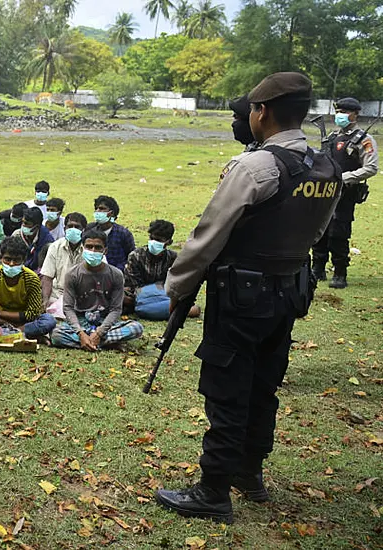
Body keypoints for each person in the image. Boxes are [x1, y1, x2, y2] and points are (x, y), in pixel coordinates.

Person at [156, 72, 343, 523]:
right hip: (288, 292)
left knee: (228, 389)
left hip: (240, 296)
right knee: (264, 386)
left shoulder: (256, 167)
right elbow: (318, 232)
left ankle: (213, 490)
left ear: (261, 112)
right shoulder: (324, 166)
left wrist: (177, 288)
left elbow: (208, 236)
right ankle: (249, 473)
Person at [312, 97, 378, 289]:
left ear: (355, 114)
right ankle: (318, 267)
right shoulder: (331, 137)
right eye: (338, 111)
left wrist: (344, 177)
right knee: (319, 230)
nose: (340, 115)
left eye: (345, 112)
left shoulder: (363, 139)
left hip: (345, 193)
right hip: (324, 192)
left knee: (338, 233)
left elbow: (371, 167)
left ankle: (340, 271)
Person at [50, 229, 144, 349]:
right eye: (89, 247)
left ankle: (89, 342)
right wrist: (80, 332)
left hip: (105, 321)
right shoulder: (73, 274)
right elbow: (68, 308)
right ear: (83, 248)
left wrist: (100, 332)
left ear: (105, 250)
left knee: (136, 328)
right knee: (56, 334)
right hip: (81, 321)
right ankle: (103, 343)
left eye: (97, 247)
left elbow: (116, 310)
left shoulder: (115, 274)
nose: (93, 251)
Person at [0, 236, 56, 341]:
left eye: (17, 260)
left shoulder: (32, 278)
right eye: (7, 259)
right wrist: (7, 323)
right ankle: (20, 334)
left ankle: (3, 335)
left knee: (49, 320)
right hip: (0, 321)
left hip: (22, 321)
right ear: (0, 258)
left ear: (24, 260)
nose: (11, 264)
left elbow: (33, 313)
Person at [123, 219, 198, 321]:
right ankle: (175, 310)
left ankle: (155, 309)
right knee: (124, 298)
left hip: (163, 295)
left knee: (189, 304)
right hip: (139, 295)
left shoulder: (173, 258)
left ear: (169, 242)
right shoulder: (136, 256)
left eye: (158, 240)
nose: (154, 242)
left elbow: (175, 284)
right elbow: (134, 285)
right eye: (152, 238)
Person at [40, 213, 86, 317]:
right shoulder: (55, 247)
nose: (73, 229)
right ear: (64, 228)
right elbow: (47, 277)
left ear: (84, 229)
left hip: (82, 296)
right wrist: (45, 301)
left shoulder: (90, 249)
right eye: (70, 226)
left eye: (77, 227)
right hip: (57, 294)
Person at [87, 195, 134, 271]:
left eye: (102, 209)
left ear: (111, 213)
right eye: (96, 208)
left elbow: (131, 257)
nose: (98, 211)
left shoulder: (123, 233)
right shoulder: (89, 230)